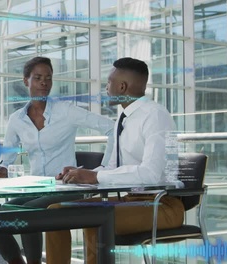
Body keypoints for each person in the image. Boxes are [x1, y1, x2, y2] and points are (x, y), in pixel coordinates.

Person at [45, 57, 185, 264]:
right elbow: (111, 167)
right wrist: (80, 174)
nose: (106, 88)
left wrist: (96, 176)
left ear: (122, 86)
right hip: (130, 201)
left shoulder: (155, 116)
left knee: (95, 219)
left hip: (161, 205)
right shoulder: (124, 116)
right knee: (54, 213)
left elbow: (151, 174)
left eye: (108, 83)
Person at [0, 57, 115, 264]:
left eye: (48, 78)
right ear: (25, 81)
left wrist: (102, 169)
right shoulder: (16, 120)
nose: (44, 83)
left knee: (27, 211)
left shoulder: (66, 111)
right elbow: (7, 156)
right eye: (37, 78)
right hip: (36, 186)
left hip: (65, 187)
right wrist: (1, 168)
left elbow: (111, 128)